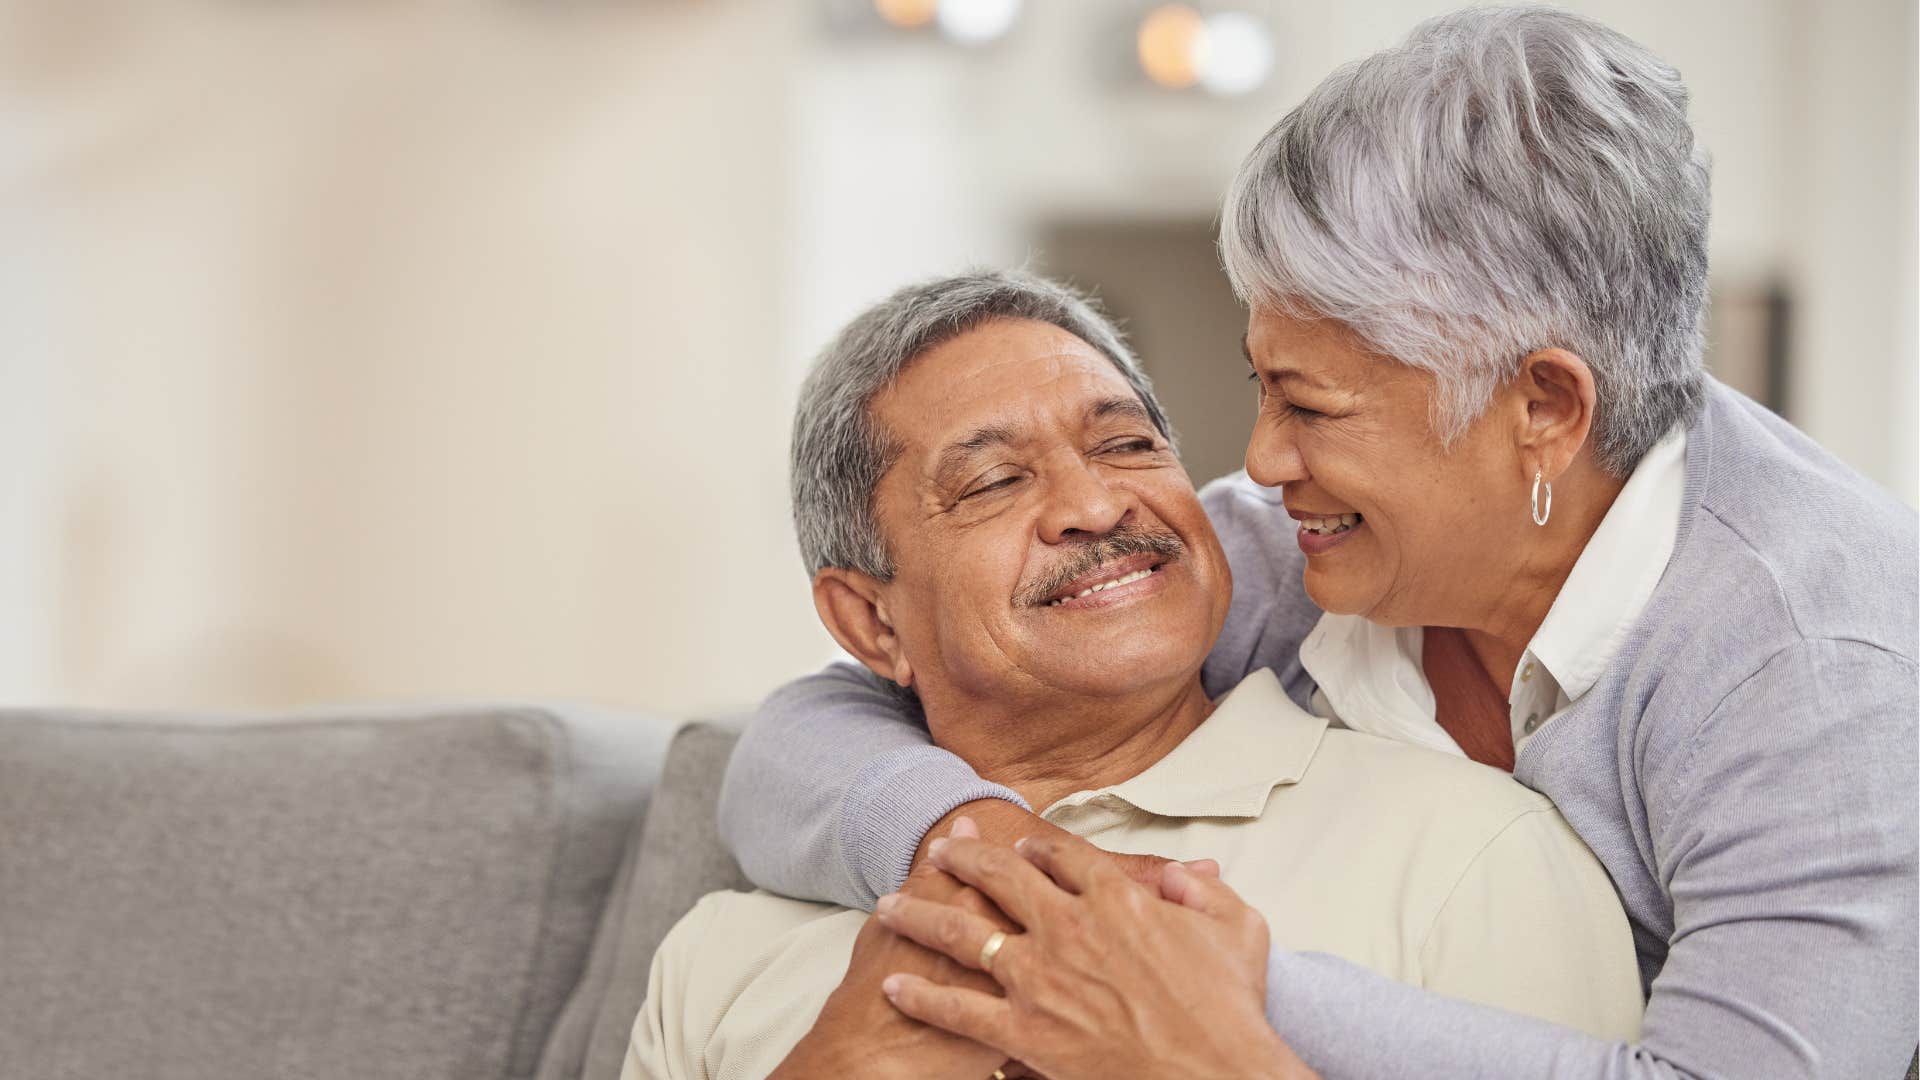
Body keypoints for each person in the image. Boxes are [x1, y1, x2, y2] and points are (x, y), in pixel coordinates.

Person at [717, 7, 1919, 1079]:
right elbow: (809, 731)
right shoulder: (1300, 555)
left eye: (1313, 407)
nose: (1264, 461)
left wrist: (1183, 979)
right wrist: (981, 847)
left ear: (1544, 409)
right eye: (1262, 387)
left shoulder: (1819, 668)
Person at [624, 272, 1643, 1080]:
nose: (1098, 504)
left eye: (1128, 445)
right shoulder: (720, 954)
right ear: (869, 621)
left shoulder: (1470, 854)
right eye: (995, 481)